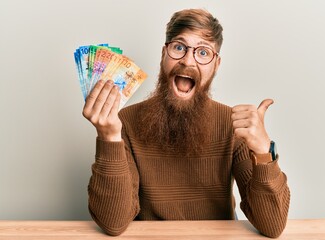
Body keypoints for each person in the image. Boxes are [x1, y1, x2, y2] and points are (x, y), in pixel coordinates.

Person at [82, 8, 290, 238]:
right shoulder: (125, 123)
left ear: (216, 65)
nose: (187, 60)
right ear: (164, 54)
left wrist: (263, 152)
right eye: (179, 47)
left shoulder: (232, 126)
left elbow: (272, 226)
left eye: (203, 52)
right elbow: (113, 223)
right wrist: (109, 137)